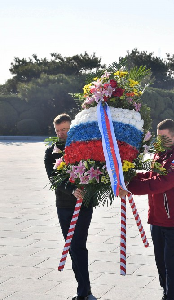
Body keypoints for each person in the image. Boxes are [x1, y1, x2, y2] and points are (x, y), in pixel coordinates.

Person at [120, 119, 174, 300]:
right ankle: (165, 292)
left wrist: (129, 189)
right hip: (157, 217)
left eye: (165, 138)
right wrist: (125, 178)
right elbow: (149, 175)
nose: (159, 142)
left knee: (170, 262)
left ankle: (171, 297)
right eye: (158, 137)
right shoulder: (160, 154)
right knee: (160, 261)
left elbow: (162, 183)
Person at [44, 114, 94, 300]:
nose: (61, 134)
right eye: (58, 131)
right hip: (64, 205)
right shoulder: (52, 152)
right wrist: (72, 190)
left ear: (72, 128)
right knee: (73, 246)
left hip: (84, 204)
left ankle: (83, 291)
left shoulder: (85, 148)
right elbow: (53, 179)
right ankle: (84, 288)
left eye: (64, 129)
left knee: (77, 245)